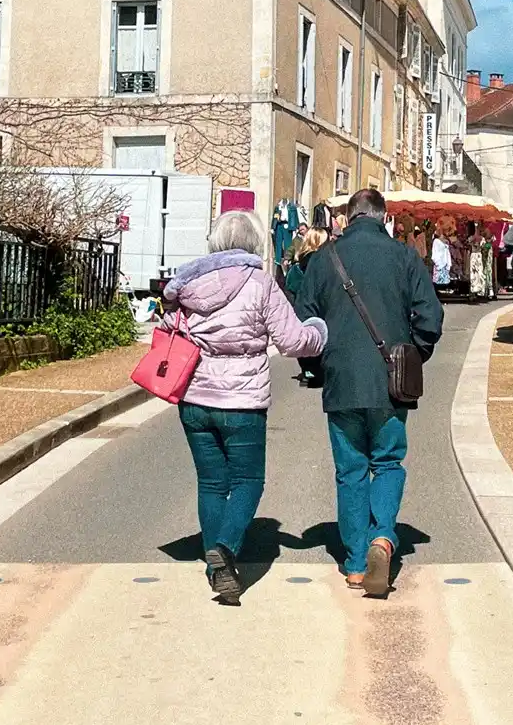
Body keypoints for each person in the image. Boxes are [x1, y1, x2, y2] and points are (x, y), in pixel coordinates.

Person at [162, 211, 326, 605]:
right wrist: (319, 332)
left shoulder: (188, 282)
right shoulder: (260, 282)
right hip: (242, 399)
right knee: (249, 481)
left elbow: (168, 327)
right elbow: (291, 341)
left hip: (194, 395)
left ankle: (214, 565)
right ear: (256, 244)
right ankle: (225, 547)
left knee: (212, 483)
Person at [296, 189, 444, 598]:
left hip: (341, 379)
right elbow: (430, 317)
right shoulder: (404, 256)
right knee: (389, 462)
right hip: (390, 380)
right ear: (384, 217)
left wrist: (318, 367)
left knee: (350, 471)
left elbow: (304, 320)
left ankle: (357, 563)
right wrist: (413, 354)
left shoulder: (324, 258)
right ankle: (383, 536)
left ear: (348, 215)